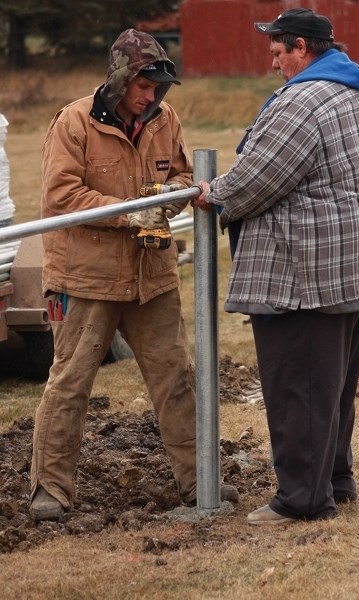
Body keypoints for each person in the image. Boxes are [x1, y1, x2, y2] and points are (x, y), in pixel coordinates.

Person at [194, 8, 359, 525]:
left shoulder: (304, 100)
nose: (273, 64)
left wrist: (212, 193)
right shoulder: (349, 88)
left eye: (277, 53)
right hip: (351, 263)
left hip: (308, 271)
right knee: (331, 385)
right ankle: (334, 478)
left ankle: (303, 500)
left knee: (300, 387)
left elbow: (258, 178)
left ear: (301, 48)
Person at [30, 29, 236, 521]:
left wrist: (169, 193)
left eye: (158, 86)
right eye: (144, 86)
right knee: (71, 383)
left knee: (176, 381)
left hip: (152, 278)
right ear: (120, 79)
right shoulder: (74, 124)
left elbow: (184, 177)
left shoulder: (166, 120)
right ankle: (50, 491)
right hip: (85, 280)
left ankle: (197, 482)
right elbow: (60, 197)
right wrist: (132, 210)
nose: (152, 96)